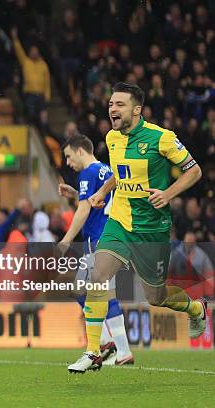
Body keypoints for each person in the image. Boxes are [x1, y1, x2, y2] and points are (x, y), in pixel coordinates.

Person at [68, 82, 205, 373]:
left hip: (151, 229)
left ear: (137, 109)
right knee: (97, 276)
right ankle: (93, 351)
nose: (112, 109)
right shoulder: (112, 138)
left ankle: (196, 308)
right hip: (119, 222)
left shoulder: (161, 138)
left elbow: (194, 170)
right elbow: (119, 173)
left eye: (119, 104)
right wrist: (104, 192)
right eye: (110, 104)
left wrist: (168, 194)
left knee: (156, 298)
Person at [58, 134, 133, 366]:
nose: (68, 163)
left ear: (81, 150)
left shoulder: (87, 173)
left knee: (99, 293)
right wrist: (76, 194)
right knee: (82, 291)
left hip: (99, 240)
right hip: (113, 236)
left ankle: (118, 349)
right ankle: (111, 345)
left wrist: (67, 240)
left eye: (69, 157)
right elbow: (95, 202)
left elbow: (83, 211)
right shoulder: (106, 169)